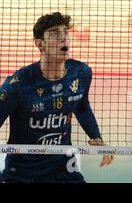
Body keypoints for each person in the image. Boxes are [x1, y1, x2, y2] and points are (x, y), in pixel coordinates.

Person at [0, 12, 113, 183]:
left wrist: (96, 137)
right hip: (22, 172)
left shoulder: (81, 73)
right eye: (54, 33)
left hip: (63, 168)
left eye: (66, 32)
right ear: (40, 44)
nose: (63, 38)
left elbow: (81, 106)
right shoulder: (18, 84)